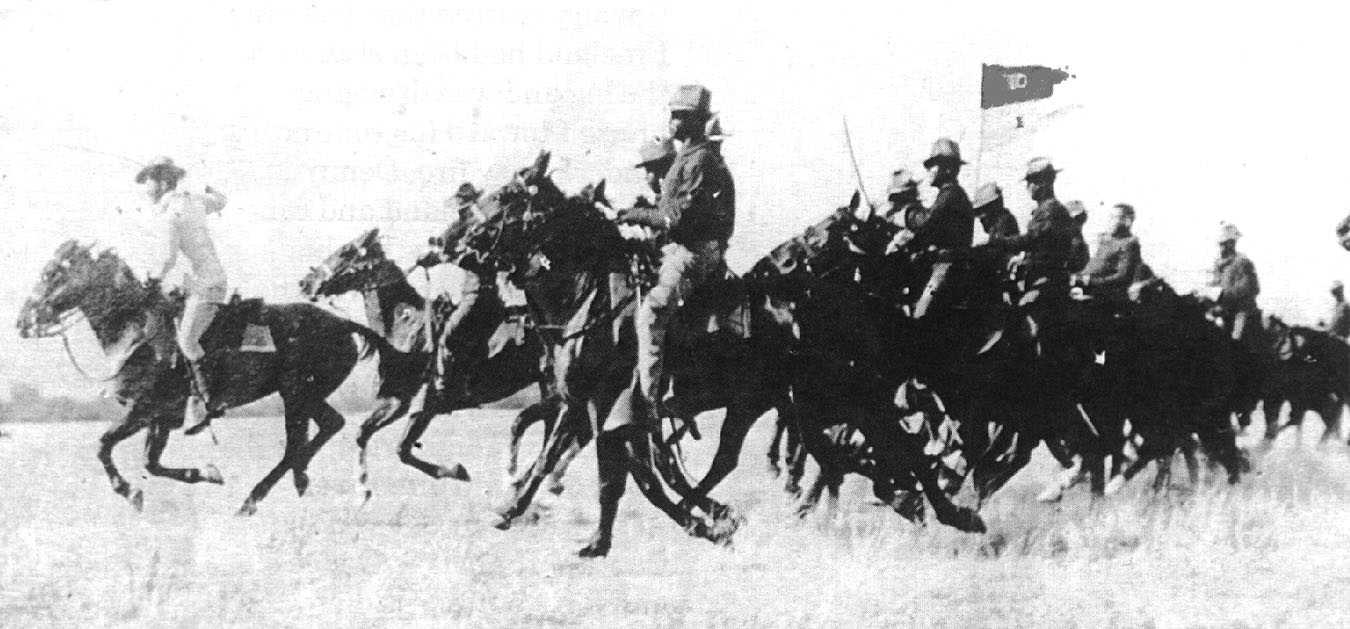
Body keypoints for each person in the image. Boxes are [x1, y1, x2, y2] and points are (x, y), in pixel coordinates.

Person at [618, 84, 735, 416]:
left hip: (690, 253)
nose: (673, 122)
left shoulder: (699, 159)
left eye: (681, 116)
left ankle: (646, 404)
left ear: (698, 121)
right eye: (672, 114)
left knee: (649, 314)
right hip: (682, 248)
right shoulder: (687, 156)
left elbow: (674, 218)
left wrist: (636, 214)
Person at [137, 156, 229, 433]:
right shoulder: (195, 201)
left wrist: (151, 280)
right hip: (203, 283)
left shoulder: (170, 215)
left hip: (206, 286)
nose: (146, 190)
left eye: (149, 183)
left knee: (187, 340)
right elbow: (221, 201)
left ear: (164, 182)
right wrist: (210, 189)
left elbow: (166, 258)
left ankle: (206, 401)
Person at [980, 157, 1084, 368]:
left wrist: (997, 243)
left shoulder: (1050, 210)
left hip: (1046, 283)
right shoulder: (1048, 210)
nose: (1028, 187)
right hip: (1044, 279)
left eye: (1031, 182)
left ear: (1043, 183)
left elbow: (1031, 239)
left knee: (1019, 327)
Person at [906, 138, 974, 318]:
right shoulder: (948, 195)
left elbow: (926, 224)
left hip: (947, 267)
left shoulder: (950, 195)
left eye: (933, 165)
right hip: (945, 265)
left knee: (920, 316)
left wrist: (908, 211)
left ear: (948, 168)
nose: (929, 170)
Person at [1074, 203, 1143, 304]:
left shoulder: (1129, 243)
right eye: (1110, 217)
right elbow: (1094, 266)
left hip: (1105, 294)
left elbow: (1122, 277)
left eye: (1114, 217)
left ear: (1127, 221)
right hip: (1088, 286)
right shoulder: (1106, 240)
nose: (1110, 221)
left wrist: (1089, 281)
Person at [1208, 222, 1261, 344]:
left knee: (1235, 339)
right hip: (1222, 309)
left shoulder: (1243, 262)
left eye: (1225, 244)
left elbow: (1253, 287)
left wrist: (1228, 295)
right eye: (1220, 244)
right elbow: (1215, 284)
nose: (1222, 248)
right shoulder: (1218, 264)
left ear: (1232, 243)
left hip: (1241, 310)